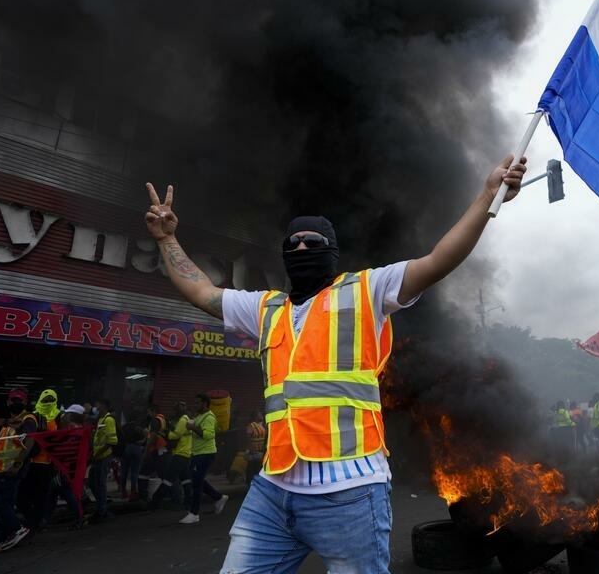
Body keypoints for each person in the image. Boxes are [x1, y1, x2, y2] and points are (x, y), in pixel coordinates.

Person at [144, 154, 528, 571]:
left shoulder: (367, 289)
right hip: (273, 490)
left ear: (333, 252)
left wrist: (487, 196)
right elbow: (202, 292)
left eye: (313, 242)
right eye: (294, 244)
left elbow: (438, 260)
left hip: (350, 490)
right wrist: (166, 239)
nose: (302, 248)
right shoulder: (265, 308)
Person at [0, 389, 38, 550]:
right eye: (13, 400)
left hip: (10, 469)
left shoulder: (27, 419)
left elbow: (29, 442)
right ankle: (4, 536)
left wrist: (17, 464)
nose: (16, 403)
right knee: (5, 504)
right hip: (0, 469)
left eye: (20, 400)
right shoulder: (9, 421)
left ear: (25, 402)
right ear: (8, 402)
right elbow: (2, 445)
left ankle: (17, 529)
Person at [19, 389, 64, 532]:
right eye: (45, 400)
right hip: (30, 462)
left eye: (51, 400)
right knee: (22, 496)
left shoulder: (59, 417)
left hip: (47, 464)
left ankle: (36, 523)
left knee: (41, 496)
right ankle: (32, 520)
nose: (48, 403)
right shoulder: (33, 416)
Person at [180, 394, 228, 524]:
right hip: (197, 453)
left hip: (205, 454)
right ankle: (218, 497)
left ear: (205, 404)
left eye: (198, 403)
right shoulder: (200, 416)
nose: (195, 405)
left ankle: (194, 513)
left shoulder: (209, 417)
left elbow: (208, 435)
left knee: (196, 483)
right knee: (197, 479)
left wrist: (193, 427)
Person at [151, 401, 193, 508]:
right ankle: (189, 500)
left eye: (175, 410)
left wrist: (165, 433)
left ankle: (155, 500)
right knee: (185, 479)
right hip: (186, 453)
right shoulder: (188, 419)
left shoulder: (183, 420)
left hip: (180, 453)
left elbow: (175, 436)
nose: (174, 413)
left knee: (168, 478)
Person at [91, 398, 119, 520]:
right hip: (98, 457)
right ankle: (100, 507)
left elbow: (112, 441)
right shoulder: (101, 419)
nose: (97, 408)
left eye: (99, 406)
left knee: (100, 483)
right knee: (93, 482)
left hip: (104, 456)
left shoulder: (109, 420)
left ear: (105, 406)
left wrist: (98, 454)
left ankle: (102, 510)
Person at [119, 413, 146, 502]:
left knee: (124, 471)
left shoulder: (124, 427)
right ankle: (133, 492)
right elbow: (143, 437)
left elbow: (120, 438)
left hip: (125, 449)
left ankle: (123, 492)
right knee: (134, 472)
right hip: (136, 448)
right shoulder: (138, 427)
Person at [244, 410, 267, 486]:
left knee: (257, 467)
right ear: (255, 416)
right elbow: (248, 437)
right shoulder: (251, 425)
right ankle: (249, 482)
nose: (261, 416)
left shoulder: (262, 425)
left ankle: (254, 482)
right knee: (252, 467)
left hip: (260, 450)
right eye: (259, 414)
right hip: (254, 450)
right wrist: (251, 449)